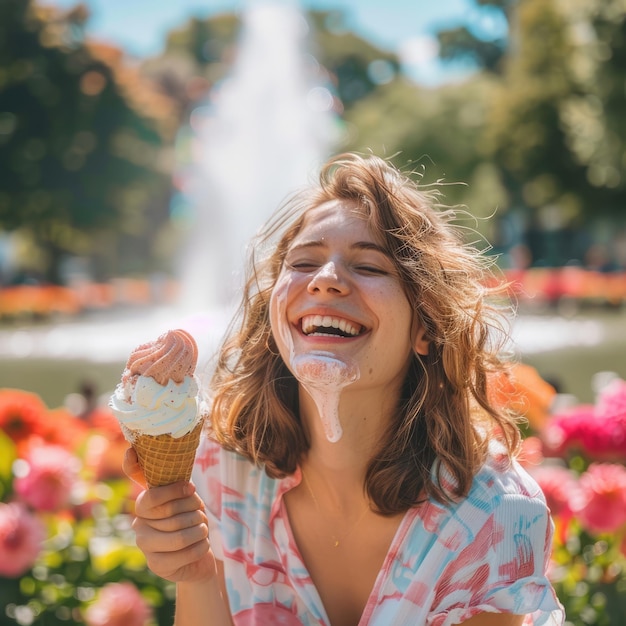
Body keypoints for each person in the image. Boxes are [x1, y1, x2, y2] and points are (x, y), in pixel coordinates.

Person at [124, 152, 565, 625]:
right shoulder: (222, 466)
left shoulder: (491, 516)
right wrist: (196, 574)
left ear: (425, 327)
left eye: (370, 267)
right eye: (304, 261)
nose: (326, 280)